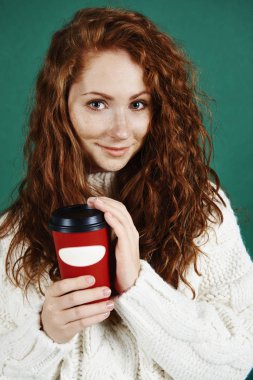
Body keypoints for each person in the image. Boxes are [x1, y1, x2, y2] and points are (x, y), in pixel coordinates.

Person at [0, 6, 252, 380]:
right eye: (97, 104)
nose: (120, 130)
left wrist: (138, 287)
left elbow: (234, 362)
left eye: (138, 104)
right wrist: (44, 335)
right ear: (61, 108)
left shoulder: (200, 207)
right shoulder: (12, 236)